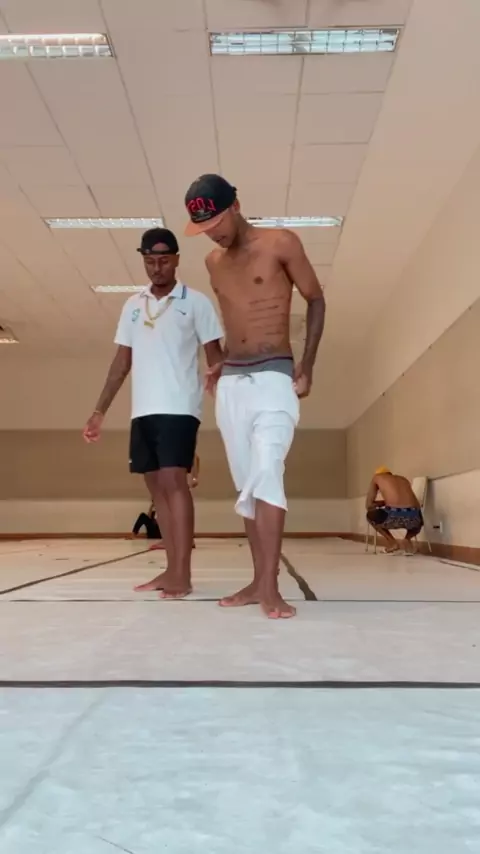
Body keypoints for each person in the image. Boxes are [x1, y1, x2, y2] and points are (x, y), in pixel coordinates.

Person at [184, 174, 326, 619]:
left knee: (267, 472)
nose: (212, 234)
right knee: (247, 484)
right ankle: (257, 580)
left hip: (274, 377)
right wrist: (221, 361)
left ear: (236, 205)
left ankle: (270, 587)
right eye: (203, 228)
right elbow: (236, 318)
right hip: (233, 383)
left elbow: (316, 300)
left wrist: (308, 365)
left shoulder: (281, 243)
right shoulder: (213, 262)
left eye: (216, 223)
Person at [83, 228, 223, 598]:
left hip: (179, 407)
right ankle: (170, 569)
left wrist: (226, 396)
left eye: (163, 261)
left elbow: (216, 358)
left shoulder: (196, 302)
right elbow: (121, 362)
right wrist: (99, 410)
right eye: (149, 261)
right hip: (142, 411)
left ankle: (183, 574)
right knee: (155, 488)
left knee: (175, 483)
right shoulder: (132, 305)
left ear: (176, 260)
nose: (156, 268)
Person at [365, 466, 424, 555]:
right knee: (419, 519)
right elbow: (416, 505)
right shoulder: (403, 479)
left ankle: (393, 543)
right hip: (414, 520)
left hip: (392, 518)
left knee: (370, 515)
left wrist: (384, 502)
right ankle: (407, 539)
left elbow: (369, 505)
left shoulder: (377, 478)